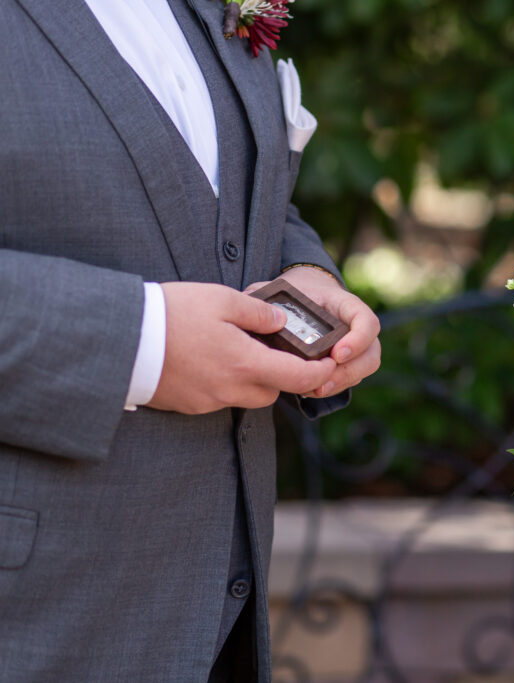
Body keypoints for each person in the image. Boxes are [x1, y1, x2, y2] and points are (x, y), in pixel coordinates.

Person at [0, 0, 380, 680]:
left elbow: (230, 194)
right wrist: (143, 345)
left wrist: (304, 271)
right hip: (36, 616)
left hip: (218, 620)